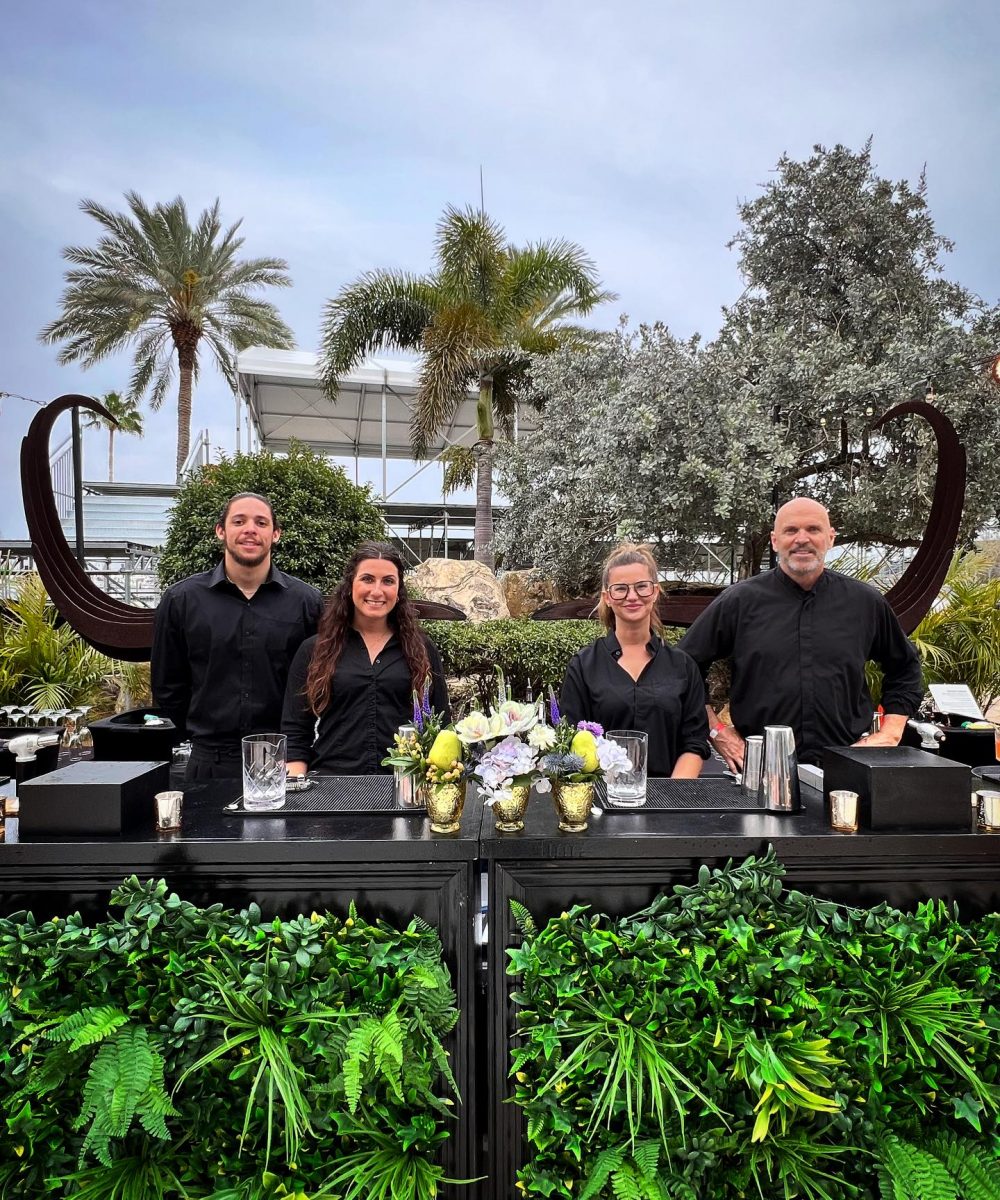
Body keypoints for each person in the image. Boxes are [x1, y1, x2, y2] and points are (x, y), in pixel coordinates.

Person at [678, 496, 924, 769]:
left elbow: (905, 667)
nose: (802, 539)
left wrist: (890, 733)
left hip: (846, 764)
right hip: (759, 767)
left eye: (813, 530)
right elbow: (683, 667)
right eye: (791, 530)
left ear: (830, 538)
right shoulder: (739, 601)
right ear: (775, 540)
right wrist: (717, 732)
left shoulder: (865, 603)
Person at [151, 492, 324, 781]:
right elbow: (167, 685)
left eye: (261, 522)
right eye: (239, 521)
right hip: (208, 763)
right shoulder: (181, 600)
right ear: (221, 530)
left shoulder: (306, 602)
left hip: (284, 763)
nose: (250, 530)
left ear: (276, 534)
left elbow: (318, 679)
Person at [282, 542, 449, 775]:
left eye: (388, 581)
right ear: (351, 584)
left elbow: (442, 727)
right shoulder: (314, 649)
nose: (377, 591)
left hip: (406, 788)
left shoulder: (422, 649)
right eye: (367, 579)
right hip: (332, 788)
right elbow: (295, 735)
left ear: (399, 590)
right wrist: (297, 797)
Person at [560, 543, 709, 778]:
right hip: (602, 799)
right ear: (607, 597)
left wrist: (670, 800)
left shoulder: (683, 666)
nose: (632, 596)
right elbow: (571, 742)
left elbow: (695, 743)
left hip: (668, 801)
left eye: (642, 587)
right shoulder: (583, 666)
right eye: (620, 589)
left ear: (655, 591)